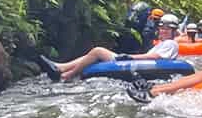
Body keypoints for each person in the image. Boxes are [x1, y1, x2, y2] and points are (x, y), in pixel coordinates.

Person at [37, 13, 181, 82]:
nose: (163, 31)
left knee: (98, 51)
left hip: (137, 62)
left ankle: (66, 74)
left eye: (167, 29)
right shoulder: (162, 44)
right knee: (95, 54)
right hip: (137, 62)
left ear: (174, 31)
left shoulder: (171, 43)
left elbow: (155, 57)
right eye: (162, 28)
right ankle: (61, 67)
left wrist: (130, 57)